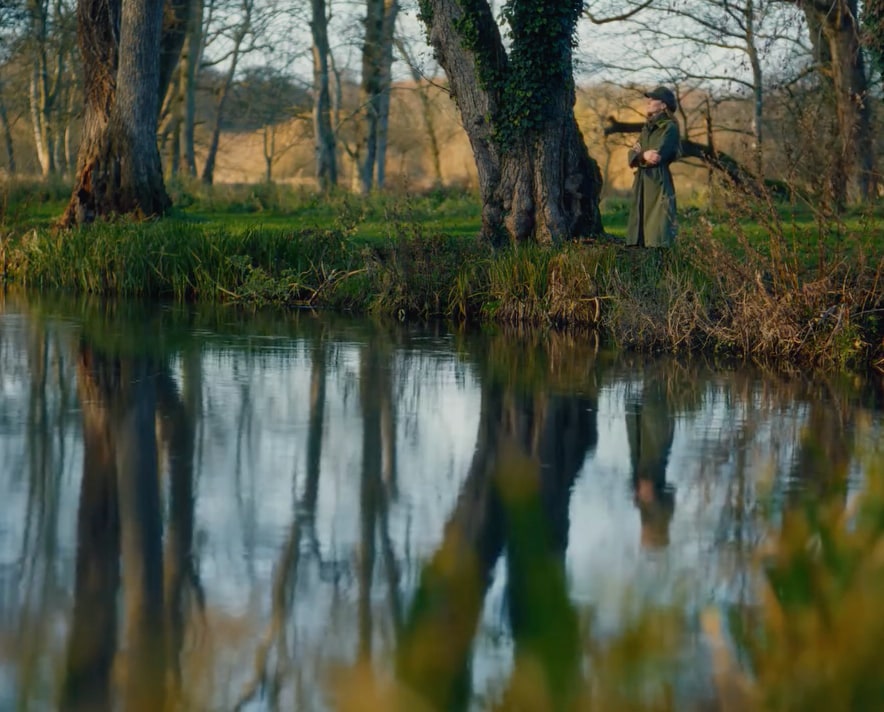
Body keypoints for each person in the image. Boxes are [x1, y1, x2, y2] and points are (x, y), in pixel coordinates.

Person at [626, 86, 680, 248]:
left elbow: (657, 156)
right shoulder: (646, 128)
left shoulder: (670, 128)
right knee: (639, 234)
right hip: (642, 182)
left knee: (658, 235)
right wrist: (643, 155)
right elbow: (631, 155)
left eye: (653, 99)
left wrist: (641, 154)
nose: (648, 102)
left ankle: (659, 262)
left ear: (663, 105)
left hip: (658, 183)